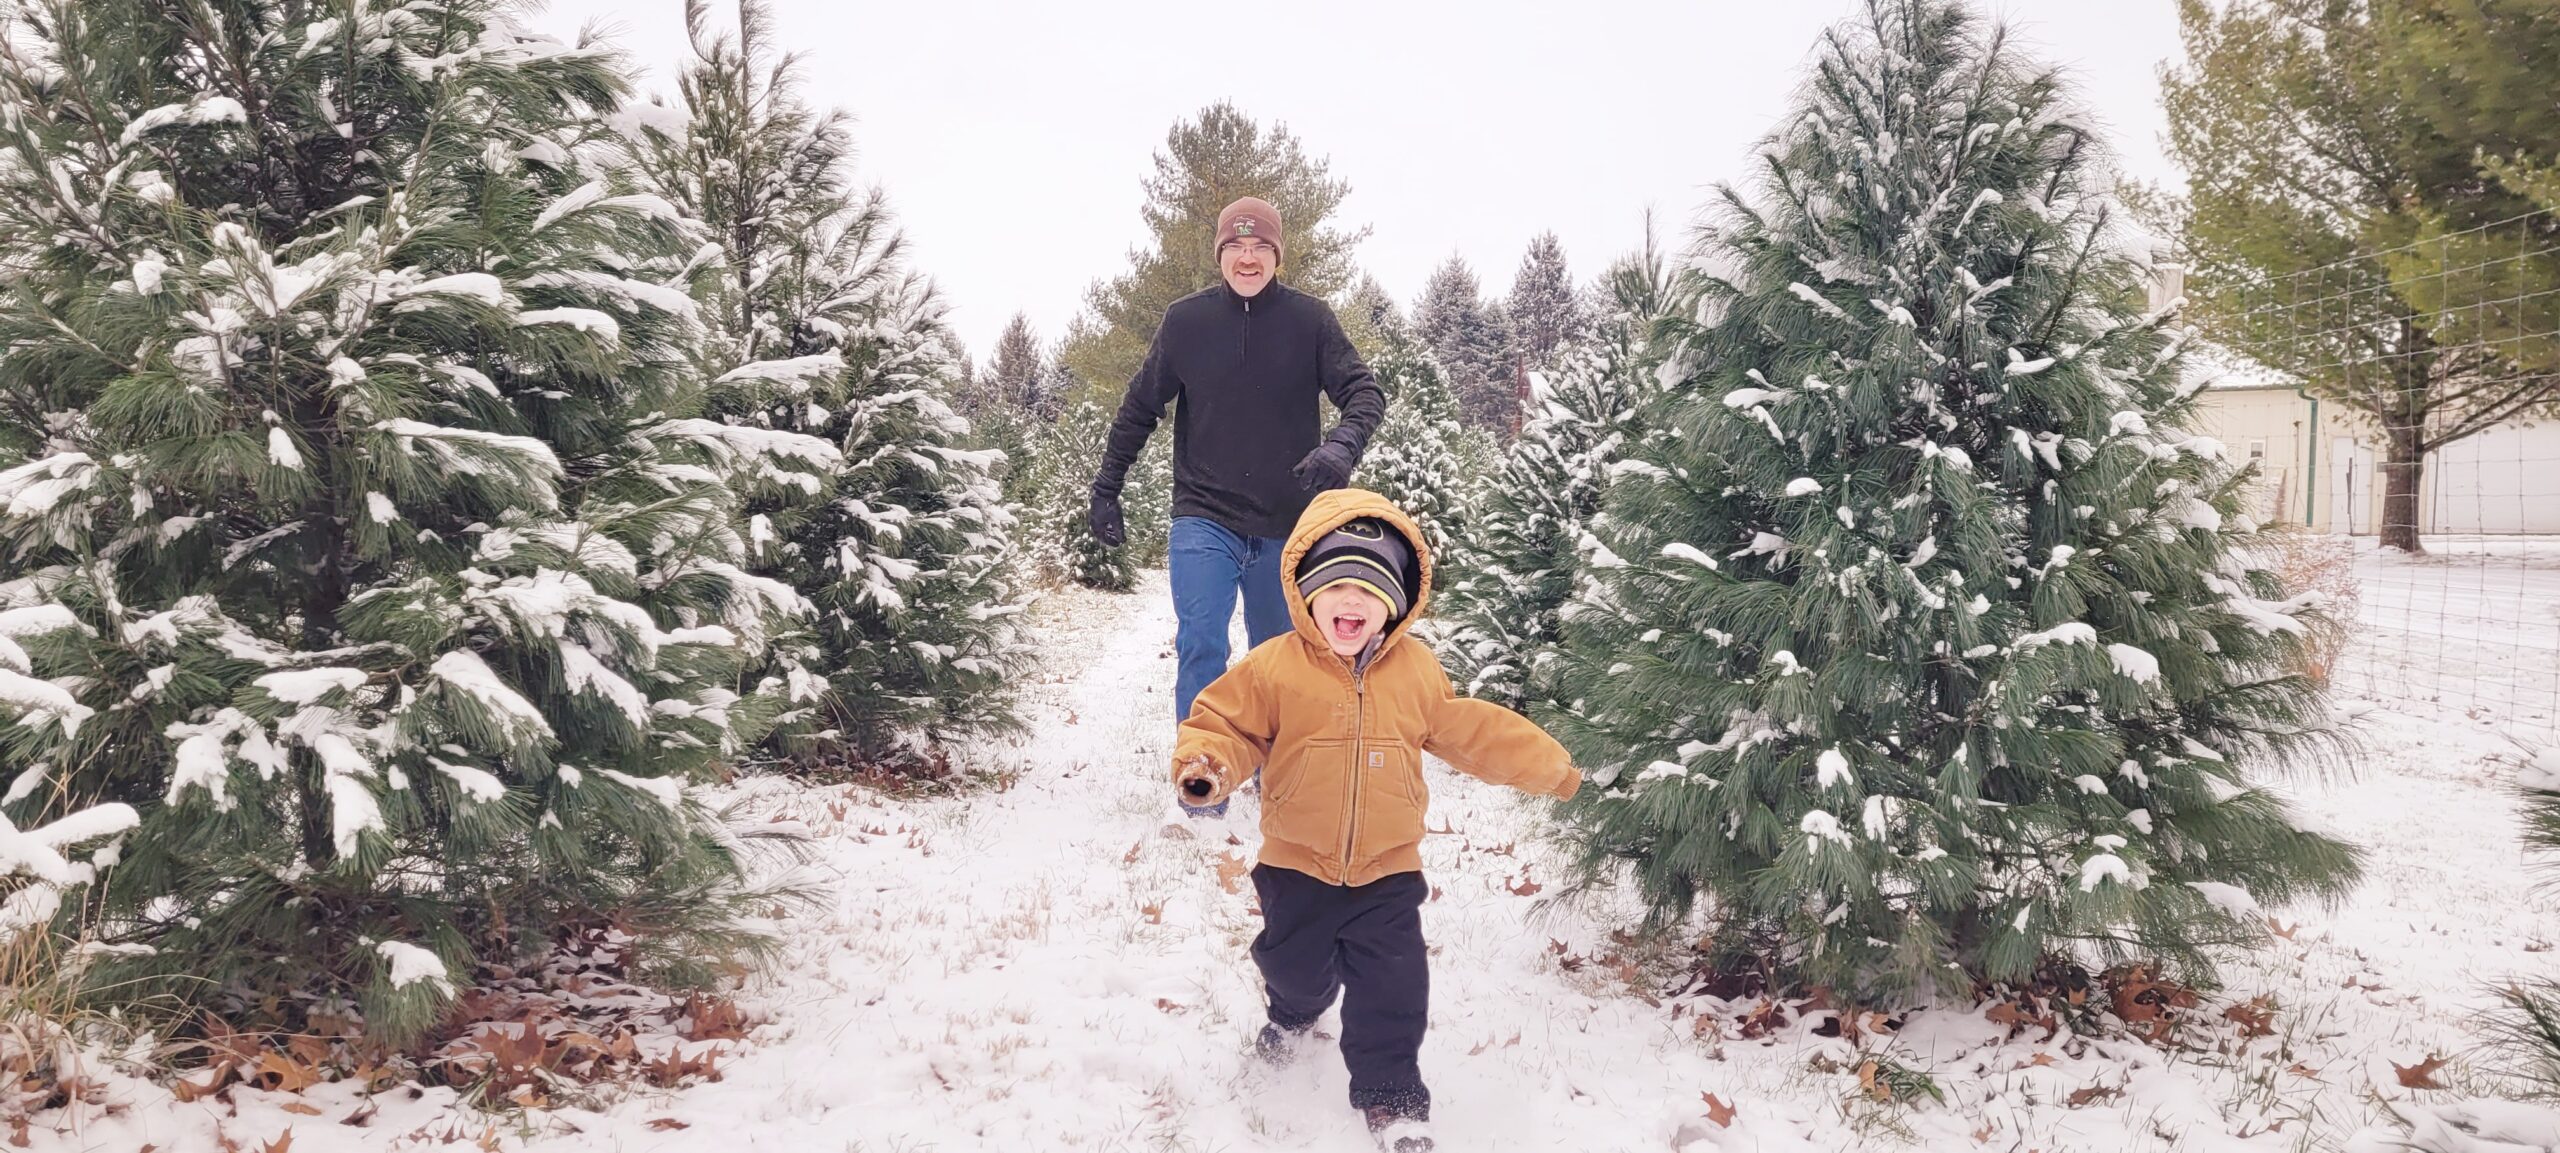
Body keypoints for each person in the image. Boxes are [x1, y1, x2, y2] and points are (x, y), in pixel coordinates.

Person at [1170, 489, 1581, 1153]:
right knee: (1294, 967)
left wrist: (1553, 770)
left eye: (1372, 588)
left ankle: (1392, 1096)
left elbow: (1470, 731)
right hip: (1296, 863)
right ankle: (1293, 1018)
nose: (1352, 601)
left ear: (1398, 600)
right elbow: (1226, 722)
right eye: (1336, 584)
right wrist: (1208, 764)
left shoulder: (1416, 670)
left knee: (1394, 986)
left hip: (1388, 870)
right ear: (1305, 589)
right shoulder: (1275, 665)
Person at [1089, 197, 1388, 818]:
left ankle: (1273, 776)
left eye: (1260, 248)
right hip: (1204, 515)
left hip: (1288, 523)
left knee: (1277, 654)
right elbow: (1140, 407)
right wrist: (1106, 488)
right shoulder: (1186, 323)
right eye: (1235, 247)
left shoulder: (1310, 322)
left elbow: (1364, 391)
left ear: (1277, 254)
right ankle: (1202, 782)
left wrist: (1340, 447)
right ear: (1220, 253)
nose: (1247, 258)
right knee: (1202, 642)